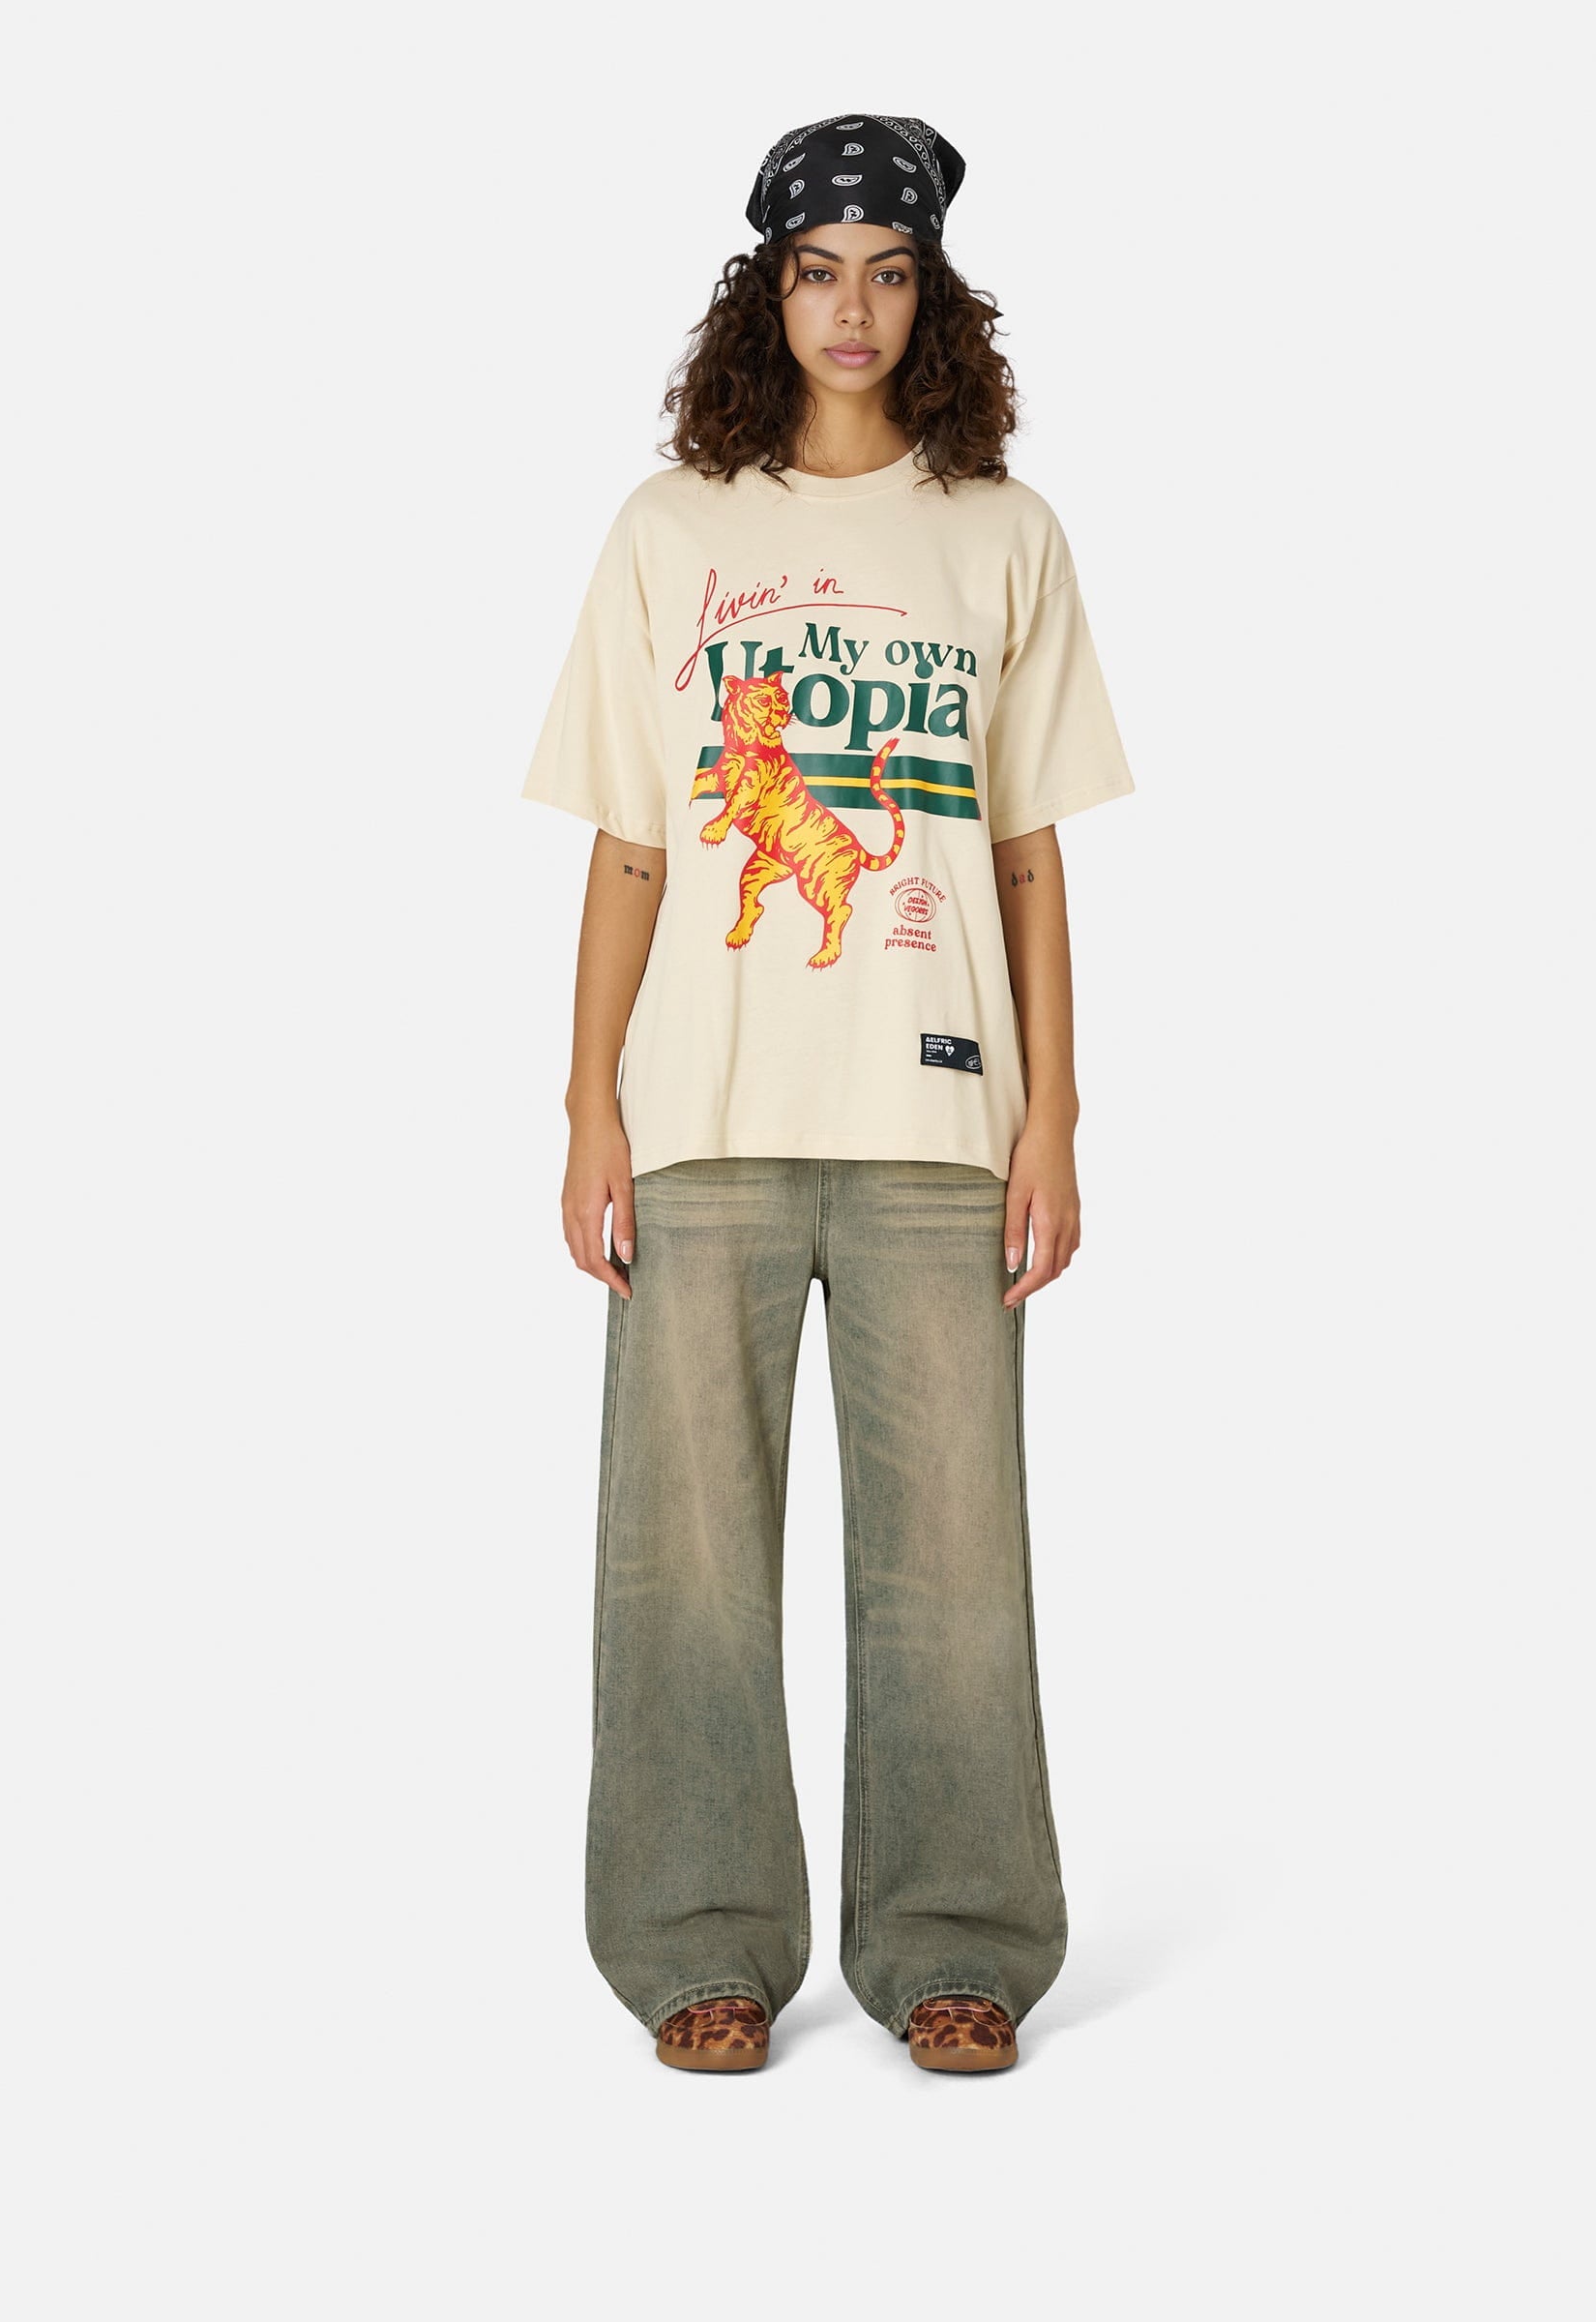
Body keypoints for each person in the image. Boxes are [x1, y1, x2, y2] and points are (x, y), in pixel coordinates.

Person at [521, 113, 1135, 2074]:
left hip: (943, 1123)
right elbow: (633, 845)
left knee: (954, 1551)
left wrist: (1054, 1117)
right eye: (815, 270)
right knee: (683, 1550)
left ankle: (958, 1940)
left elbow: (1027, 854)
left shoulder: (1002, 533)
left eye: (886, 271)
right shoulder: (672, 528)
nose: (850, 308)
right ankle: (697, 1940)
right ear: (765, 292)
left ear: (930, 295)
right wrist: (587, 1108)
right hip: (700, 1115)